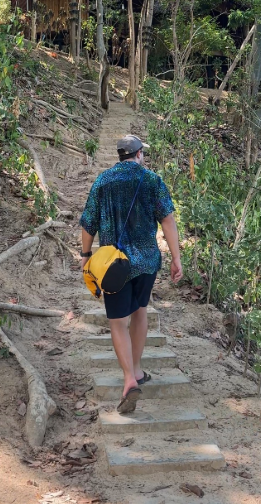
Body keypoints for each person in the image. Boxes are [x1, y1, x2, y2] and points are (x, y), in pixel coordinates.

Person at [79, 134, 182, 414]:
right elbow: (168, 219)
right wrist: (176, 258)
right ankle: (136, 369)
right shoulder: (151, 180)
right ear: (138, 155)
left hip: (114, 265)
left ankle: (128, 380)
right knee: (140, 312)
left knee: (117, 322)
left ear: (120, 155)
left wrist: (86, 255)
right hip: (146, 262)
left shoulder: (103, 181)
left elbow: (88, 223)